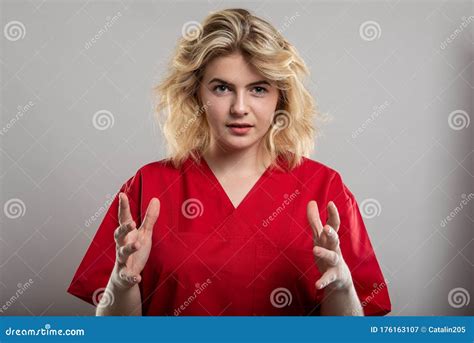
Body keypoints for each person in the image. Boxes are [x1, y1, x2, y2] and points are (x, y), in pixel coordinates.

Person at [67, 8, 391, 316]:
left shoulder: (324, 189)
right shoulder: (149, 187)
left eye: (258, 89)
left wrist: (342, 287)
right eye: (222, 88)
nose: (239, 107)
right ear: (197, 95)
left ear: (281, 96)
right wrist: (122, 282)